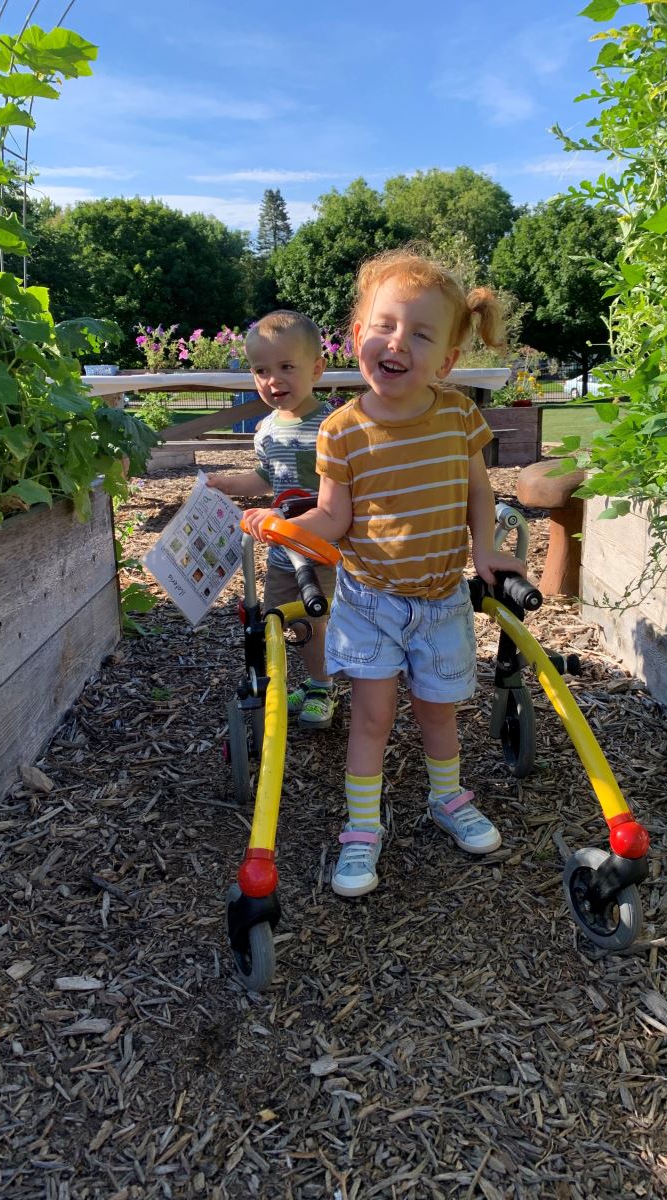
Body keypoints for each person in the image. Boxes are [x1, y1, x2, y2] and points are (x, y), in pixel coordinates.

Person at [244, 251, 529, 895]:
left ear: (447, 361)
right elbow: (331, 515)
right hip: (370, 600)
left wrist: (483, 549)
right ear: (358, 336)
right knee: (372, 718)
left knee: (438, 712)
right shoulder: (342, 431)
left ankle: (446, 797)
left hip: (440, 598)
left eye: (420, 334)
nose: (397, 342)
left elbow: (478, 492)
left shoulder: (458, 416)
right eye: (385, 325)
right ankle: (362, 828)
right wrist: (279, 525)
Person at [207, 310, 337, 731]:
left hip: (326, 548)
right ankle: (315, 679)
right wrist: (223, 482)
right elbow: (266, 477)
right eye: (261, 370)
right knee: (286, 620)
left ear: (316, 368)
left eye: (286, 367)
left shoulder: (333, 426)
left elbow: (348, 490)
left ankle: (322, 685)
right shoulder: (265, 429)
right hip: (283, 552)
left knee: (317, 618)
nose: (272, 380)